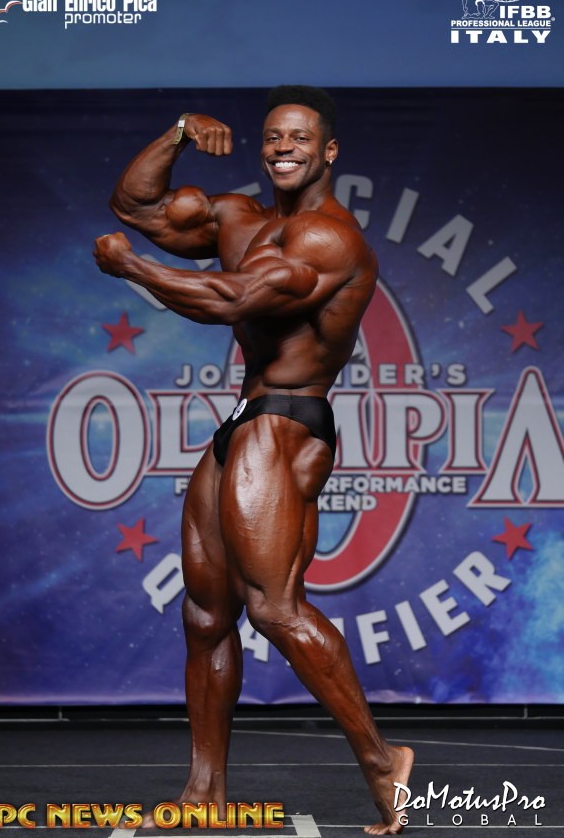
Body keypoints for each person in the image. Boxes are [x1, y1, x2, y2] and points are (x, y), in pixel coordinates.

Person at [94, 86, 413, 835]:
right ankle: (203, 794)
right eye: (274, 137)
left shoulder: (329, 240)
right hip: (242, 420)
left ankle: (382, 759)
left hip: (288, 422)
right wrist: (177, 132)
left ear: (327, 151)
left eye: (299, 138)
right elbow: (135, 207)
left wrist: (134, 269)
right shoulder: (241, 217)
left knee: (273, 607)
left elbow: (231, 301)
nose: (283, 148)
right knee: (206, 614)